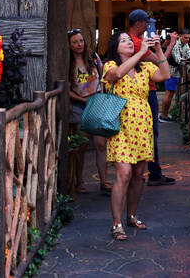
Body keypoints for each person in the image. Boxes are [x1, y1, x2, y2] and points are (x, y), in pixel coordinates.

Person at [102, 29, 172, 241]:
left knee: (137, 176)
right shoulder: (111, 66)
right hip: (120, 125)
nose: (129, 43)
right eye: (124, 41)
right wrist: (140, 52)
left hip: (142, 125)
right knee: (123, 174)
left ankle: (131, 214)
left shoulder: (145, 68)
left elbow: (165, 75)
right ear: (116, 48)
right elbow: (118, 75)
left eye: (130, 41)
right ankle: (116, 222)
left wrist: (158, 51)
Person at [126, 9, 177, 186]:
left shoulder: (131, 41)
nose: (149, 26)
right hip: (146, 91)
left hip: (140, 90)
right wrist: (167, 46)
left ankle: (140, 172)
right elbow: (161, 63)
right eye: (147, 23)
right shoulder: (137, 42)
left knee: (141, 132)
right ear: (139, 23)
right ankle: (151, 173)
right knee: (150, 132)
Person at [67, 28, 109, 195]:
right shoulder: (68, 63)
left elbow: (102, 77)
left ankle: (104, 182)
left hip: (97, 103)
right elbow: (67, 90)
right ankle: (80, 182)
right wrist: (84, 100)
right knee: (81, 147)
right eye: (75, 42)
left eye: (81, 41)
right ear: (69, 45)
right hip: (79, 106)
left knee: (101, 144)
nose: (79, 44)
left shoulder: (93, 58)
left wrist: (101, 94)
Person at [159, 30, 190, 122]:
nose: (187, 39)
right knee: (168, 93)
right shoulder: (176, 45)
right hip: (171, 70)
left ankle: (164, 115)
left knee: (170, 93)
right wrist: (186, 59)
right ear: (180, 36)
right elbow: (178, 60)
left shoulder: (185, 44)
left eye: (189, 38)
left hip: (176, 71)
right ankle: (163, 115)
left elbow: (189, 55)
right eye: (185, 37)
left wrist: (186, 59)